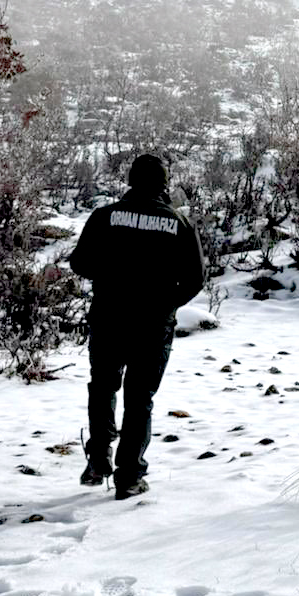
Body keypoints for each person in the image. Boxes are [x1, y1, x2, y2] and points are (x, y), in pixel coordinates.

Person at [69, 153, 206, 499]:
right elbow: (195, 279)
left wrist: (111, 278)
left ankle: (99, 460)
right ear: (164, 183)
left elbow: (80, 262)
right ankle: (129, 477)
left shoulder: (105, 216)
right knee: (139, 397)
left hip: (108, 317)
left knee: (103, 387)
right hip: (153, 324)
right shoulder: (179, 223)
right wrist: (168, 304)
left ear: (130, 180)